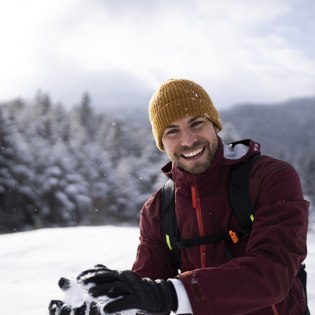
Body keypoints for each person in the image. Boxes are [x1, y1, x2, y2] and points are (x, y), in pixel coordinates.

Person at [49, 79, 309, 315]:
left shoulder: (270, 178)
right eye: (172, 131)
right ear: (162, 142)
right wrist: (110, 307)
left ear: (214, 125)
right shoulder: (159, 209)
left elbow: (273, 272)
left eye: (196, 123)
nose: (188, 140)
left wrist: (170, 294)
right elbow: (146, 293)